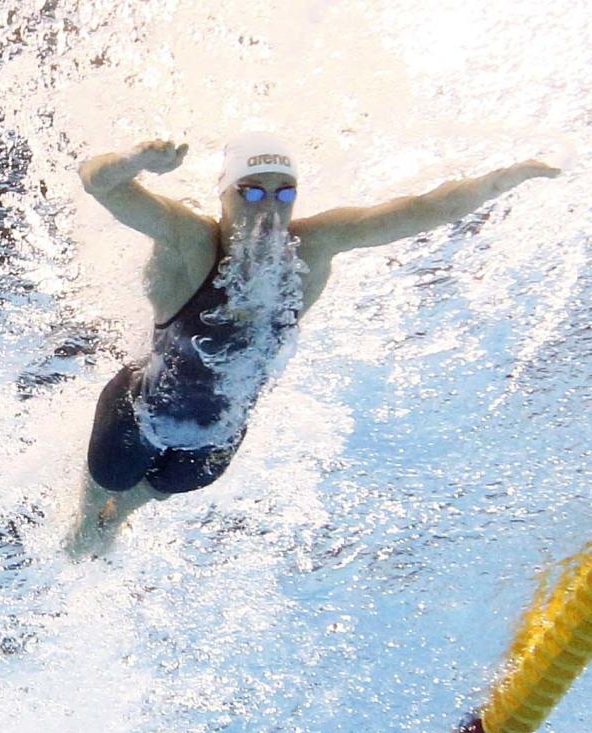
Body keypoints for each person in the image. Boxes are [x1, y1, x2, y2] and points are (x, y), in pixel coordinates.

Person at [67, 133, 560, 555]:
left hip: (218, 435)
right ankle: (87, 519)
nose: (268, 208)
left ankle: (119, 517)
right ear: (223, 195)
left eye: (283, 195)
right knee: (106, 482)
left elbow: (419, 210)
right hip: (139, 410)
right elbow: (99, 182)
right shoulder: (191, 242)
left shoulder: (314, 245)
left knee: (164, 488)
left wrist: (499, 181)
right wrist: (135, 162)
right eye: (252, 192)